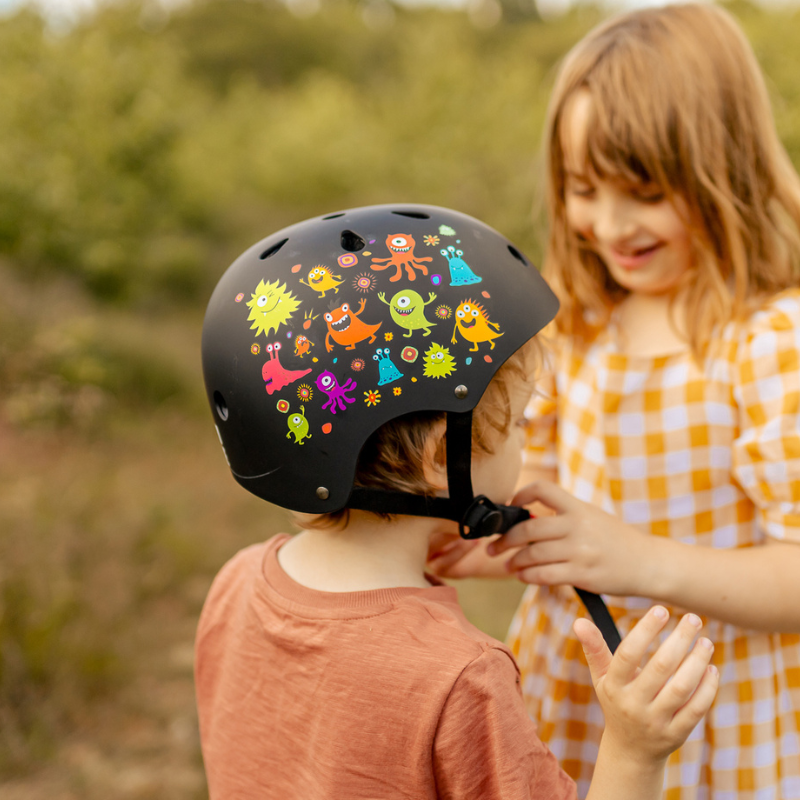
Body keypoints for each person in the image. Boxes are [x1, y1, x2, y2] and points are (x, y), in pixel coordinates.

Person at [196, 204, 718, 799]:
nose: (529, 437)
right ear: (442, 460)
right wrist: (635, 749)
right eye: (521, 422)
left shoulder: (236, 584)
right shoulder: (459, 677)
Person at [428, 5, 800, 798]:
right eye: (585, 189)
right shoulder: (581, 320)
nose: (610, 224)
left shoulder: (770, 340)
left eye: (643, 190)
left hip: (712, 701)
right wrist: (496, 547)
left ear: (722, 168)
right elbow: (561, 507)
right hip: (581, 683)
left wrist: (640, 561)